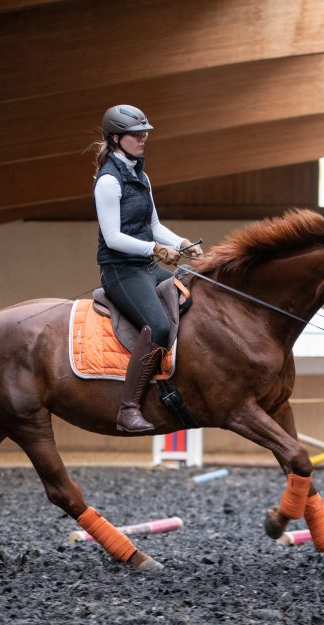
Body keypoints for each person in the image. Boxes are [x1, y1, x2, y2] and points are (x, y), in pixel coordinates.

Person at [92, 104, 204, 433]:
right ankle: (128, 409)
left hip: (146, 265)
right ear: (115, 139)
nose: (144, 138)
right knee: (157, 326)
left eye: (145, 133)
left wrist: (182, 243)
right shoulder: (108, 182)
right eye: (137, 134)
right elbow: (113, 238)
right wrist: (155, 249)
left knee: (190, 297)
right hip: (120, 271)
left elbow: (153, 224)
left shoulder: (141, 174)